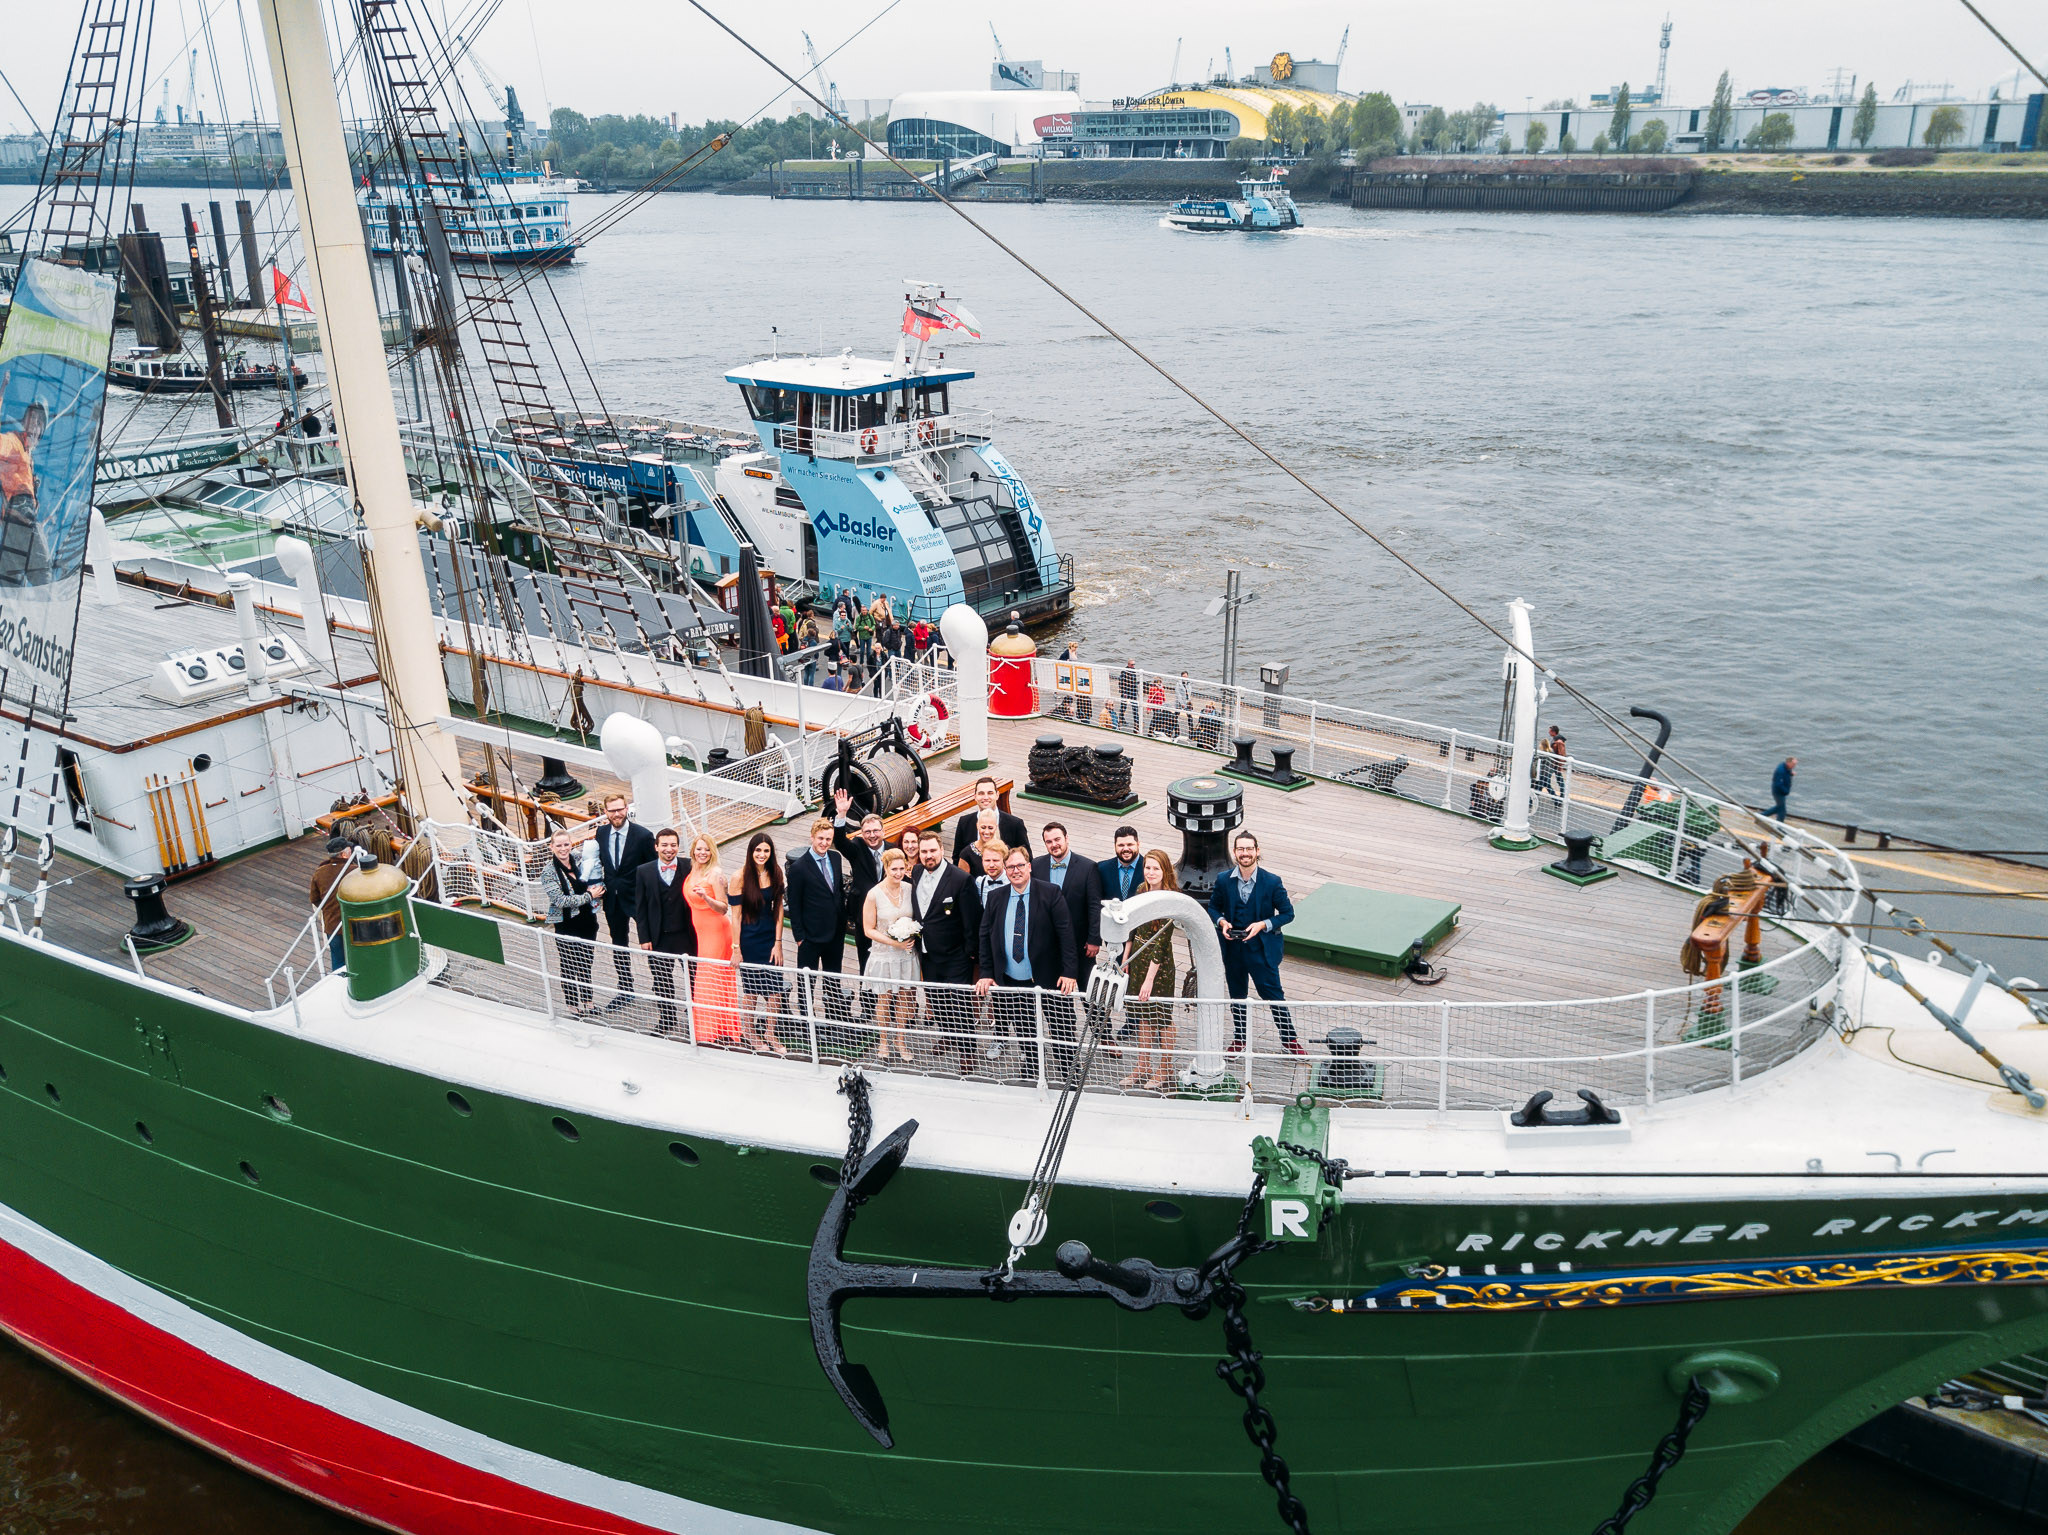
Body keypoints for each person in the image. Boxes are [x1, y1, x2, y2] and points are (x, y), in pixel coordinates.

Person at [976, 845, 1077, 1081]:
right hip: (1013, 979)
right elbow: (985, 935)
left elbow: (1066, 934)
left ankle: (1068, 1070)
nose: (1015, 870)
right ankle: (1032, 1067)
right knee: (1024, 1028)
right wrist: (987, 972)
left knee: (1061, 1026)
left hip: (1050, 977)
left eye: (1020, 865)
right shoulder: (995, 897)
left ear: (1029, 866)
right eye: (1010, 867)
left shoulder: (1051, 893)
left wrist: (1070, 972)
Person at [1209, 830, 1301, 1056]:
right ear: (1234, 852)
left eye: (1249, 848)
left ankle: (1290, 1040)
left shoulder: (1272, 882)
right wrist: (1222, 922)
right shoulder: (1223, 880)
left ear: (1257, 851)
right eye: (1240, 849)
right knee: (1237, 997)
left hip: (1262, 951)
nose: (1245, 853)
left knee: (1274, 996)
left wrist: (1263, 924)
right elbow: (1212, 908)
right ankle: (1240, 1039)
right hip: (1233, 950)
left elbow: (1288, 914)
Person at [911, 827, 979, 1072]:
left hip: (956, 955)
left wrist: (970, 953)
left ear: (941, 850)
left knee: (961, 1005)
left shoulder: (961, 879)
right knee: (937, 1001)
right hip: (927, 953)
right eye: (924, 852)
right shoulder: (916, 872)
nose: (928, 856)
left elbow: (973, 919)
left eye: (932, 850)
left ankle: (968, 1052)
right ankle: (948, 1035)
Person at [1121, 852, 1180, 1090]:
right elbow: (1132, 927)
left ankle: (1164, 1068)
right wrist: (1126, 960)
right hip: (1138, 959)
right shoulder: (1140, 891)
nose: (1150, 872)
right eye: (1147, 868)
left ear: (1164, 870)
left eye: (1155, 868)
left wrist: (1149, 980)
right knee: (1143, 1017)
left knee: (1162, 1017)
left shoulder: (1171, 898)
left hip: (1160, 966)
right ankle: (1143, 1065)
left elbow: (1162, 943)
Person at [730, 832, 789, 1055]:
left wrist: (778, 942)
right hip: (749, 939)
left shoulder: (776, 873)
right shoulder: (739, 877)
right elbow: (734, 916)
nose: (762, 854)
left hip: (769, 938)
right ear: (751, 852)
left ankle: (770, 1033)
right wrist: (736, 949)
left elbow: (779, 909)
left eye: (766, 850)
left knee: (775, 991)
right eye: (758, 850)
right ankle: (749, 1031)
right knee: (752, 991)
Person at [634, 829, 697, 1035]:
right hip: (658, 936)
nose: (668, 849)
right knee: (661, 980)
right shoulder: (644, 871)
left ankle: (696, 1018)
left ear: (678, 847)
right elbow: (641, 908)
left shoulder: (690, 866)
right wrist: (644, 937)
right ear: (656, 847)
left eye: (673, 845)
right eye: (664, 845)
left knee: (695, 978)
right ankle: (667, 1018)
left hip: (687, 935)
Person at [785, 816, 847, 1022]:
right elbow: (794, 904)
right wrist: (800, 937)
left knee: (833, 979)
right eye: (820, 838)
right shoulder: (799, 868)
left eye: (828, 839)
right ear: (812, 837)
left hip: (835, 934)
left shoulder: (836, 858)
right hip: (810, 937)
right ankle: (807, 1021)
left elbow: (837, 891)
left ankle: (833, 1018)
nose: (824, 843)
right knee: (806, 983)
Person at [862, 848, 921, 1063]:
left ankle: (900, 1039)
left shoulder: (909, 888)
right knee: (885, 999)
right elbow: (868, 929)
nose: (898, 873)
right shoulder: (873, 894)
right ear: (885, 868)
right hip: (884, 955)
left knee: (906, 998)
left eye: (901, 868)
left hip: (906, 954)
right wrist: (893, 942)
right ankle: (884, 1041)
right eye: (893, 869)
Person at [684, 834, 743, 1047]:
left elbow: (724, 908)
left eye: (706, 849)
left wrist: (706, 898)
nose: (702, 853)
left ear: (712, 852)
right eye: (699, 849)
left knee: (710, 979)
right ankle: (715, 1027)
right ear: (693, 851)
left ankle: (716, 1030)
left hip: (717, 932)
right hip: (702, 933)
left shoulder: (715, 873)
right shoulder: (693, 869)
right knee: (708, 979)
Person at [832, 791, 889, 974]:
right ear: (862, 834)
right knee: (866, 961)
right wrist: (841, 814)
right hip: (864, 916)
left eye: (875, 831)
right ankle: (868, 1000)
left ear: (883, 831)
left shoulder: (894, 850)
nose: (872, 835)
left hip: (889, 916)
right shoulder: (857, 848)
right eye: (867, 832)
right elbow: (840, 842)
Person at [544, 829, 601, 1011]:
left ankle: (587, 1001)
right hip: (566, 923)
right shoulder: (548, 872)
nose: (563, 849)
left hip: (587, 921)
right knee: (568, 964)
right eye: (558, 845)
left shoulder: (580, 860)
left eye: (566, 844)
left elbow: (596, 872)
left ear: (571, 844)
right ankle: (571, 1004)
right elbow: (561, 901)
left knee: (586, 961)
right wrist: (589, 895)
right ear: (551, 847)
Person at [951, 775, 1029, 865]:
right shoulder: (964, 822)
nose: (986, 797)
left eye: (990, 793)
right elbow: (957, 858)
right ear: (975, 797)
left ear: (997, 795)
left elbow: (1026, 856)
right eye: (981, 793)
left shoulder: (1015, 824)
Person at [309, 835, 359, 973]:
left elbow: (314, 898)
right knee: (359, 958)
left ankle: (340, 986)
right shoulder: (355, 871)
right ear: (344, 854)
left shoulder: (320, 872)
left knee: (338, 961)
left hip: (333, 926)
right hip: (354, 926)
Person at [1097, 824, 1145, 904]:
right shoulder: (1102, 869)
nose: (1125, 849)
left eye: (1130, 844)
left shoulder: (1150, 870)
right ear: (1115, 846)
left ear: (1138, 844)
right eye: (1121, 845)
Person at [1114, 658, 1139, 731]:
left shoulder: (1134, 671)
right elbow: (1121, 682)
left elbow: (1134, 681)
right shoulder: (1124, 672)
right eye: (1132, 664)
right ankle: (1121, 719)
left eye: (1134, 664)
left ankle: (1136, 721)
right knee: (1123, 706)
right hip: (1126, 691)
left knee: (1135, 707)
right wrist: (1123, 691)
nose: (1133, 666)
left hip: (1133, 691)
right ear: (1128, 664)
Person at [1769, 756, 1797, 821]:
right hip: (1778, 792)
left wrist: (1791, 774)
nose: (1794, 766)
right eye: (1793, 764)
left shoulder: (1787, 768)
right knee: (1782, 811)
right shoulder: (1780, 770)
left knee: (1778, 808)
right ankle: (1779, 827)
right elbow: (1777, 783)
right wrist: (1785, 791)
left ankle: (1760, 816)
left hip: (1782, 792)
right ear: (1788, 763)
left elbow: (1786, 773)